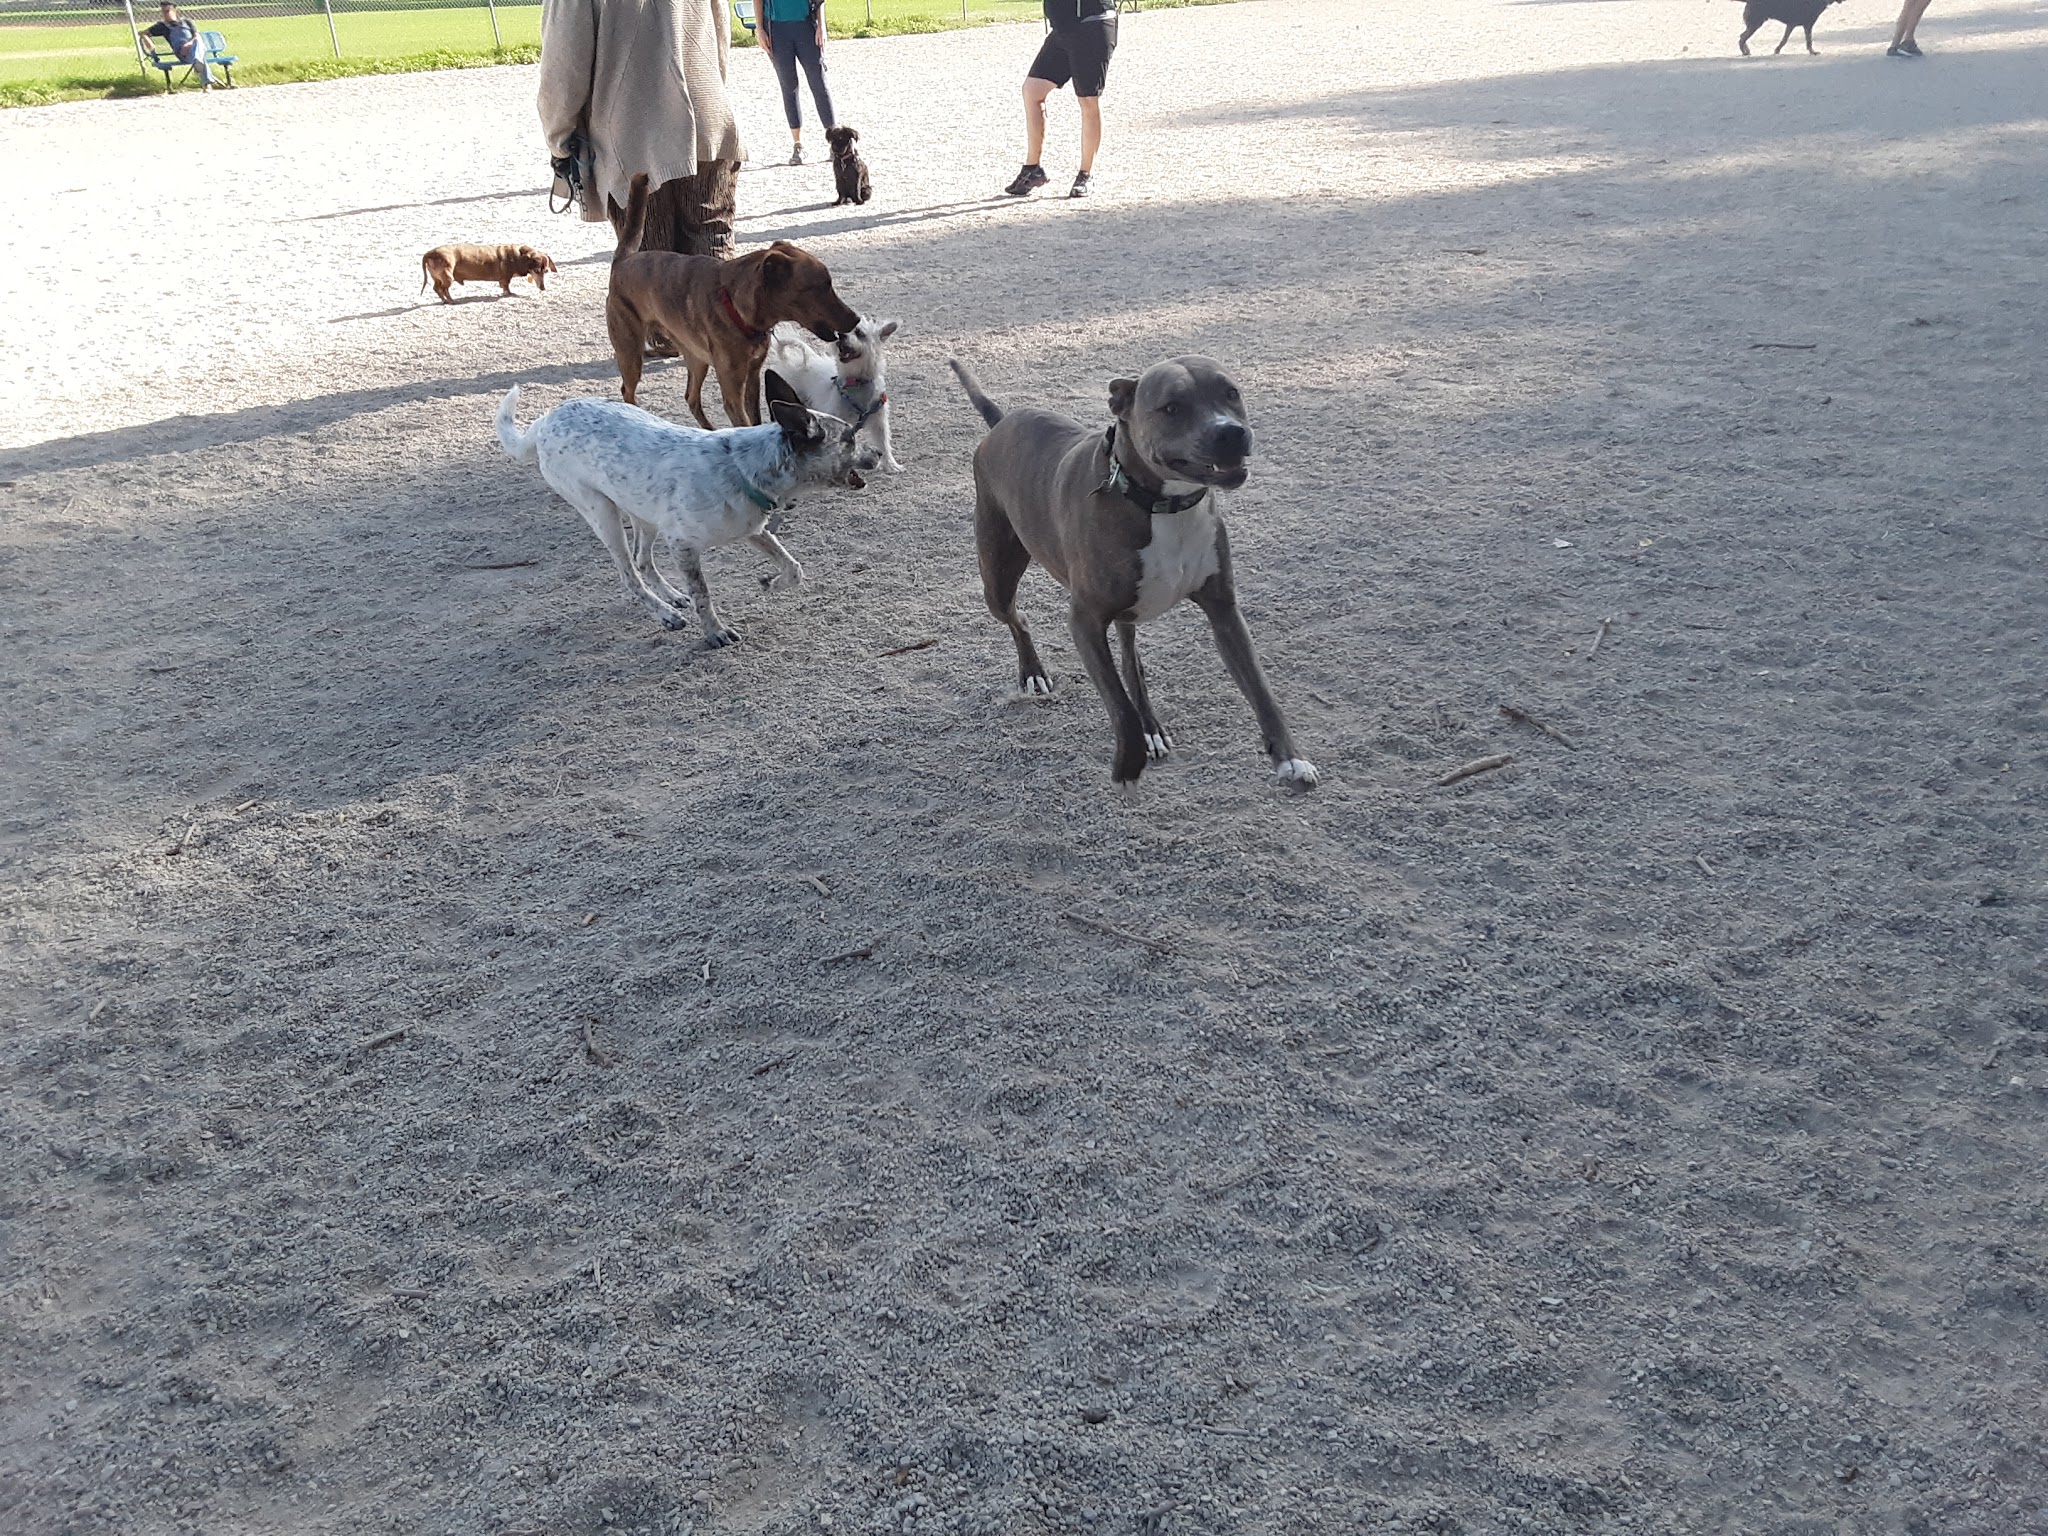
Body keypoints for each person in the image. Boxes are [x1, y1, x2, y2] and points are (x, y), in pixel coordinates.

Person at [538, 0, 744, 261]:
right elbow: (720, 28)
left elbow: (564, 63)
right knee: (714, 256)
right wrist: (714, 88)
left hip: (633, 135)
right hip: (706, 116)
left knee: (650, 266)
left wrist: (559, 138)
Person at [1005, 0, 1119, 200]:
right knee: (1032, 90)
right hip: (1064, 26)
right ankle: (1033, 169)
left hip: (1093, 23)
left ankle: (1086, 174)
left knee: (1088, 100)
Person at [760, 0, 836, 167]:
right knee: (789, 86)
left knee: (818, 83)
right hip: (776, 29)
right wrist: (760, 29)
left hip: (805, 26)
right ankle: (798, 145)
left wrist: (821, 26)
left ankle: (834, 142)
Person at [137, 3, 214, 90]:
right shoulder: (161, 26)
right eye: (162, 12)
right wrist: (145, 38)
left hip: (194, 48)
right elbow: (143, 33)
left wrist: (189, 44)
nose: (164, 14)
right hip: (182, 53)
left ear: (174, 11)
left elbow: (196, 35)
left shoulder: (187, 22)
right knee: (200, 54)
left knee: (198, 42)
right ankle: (204, 76)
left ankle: (198, 64)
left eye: (167, 11)